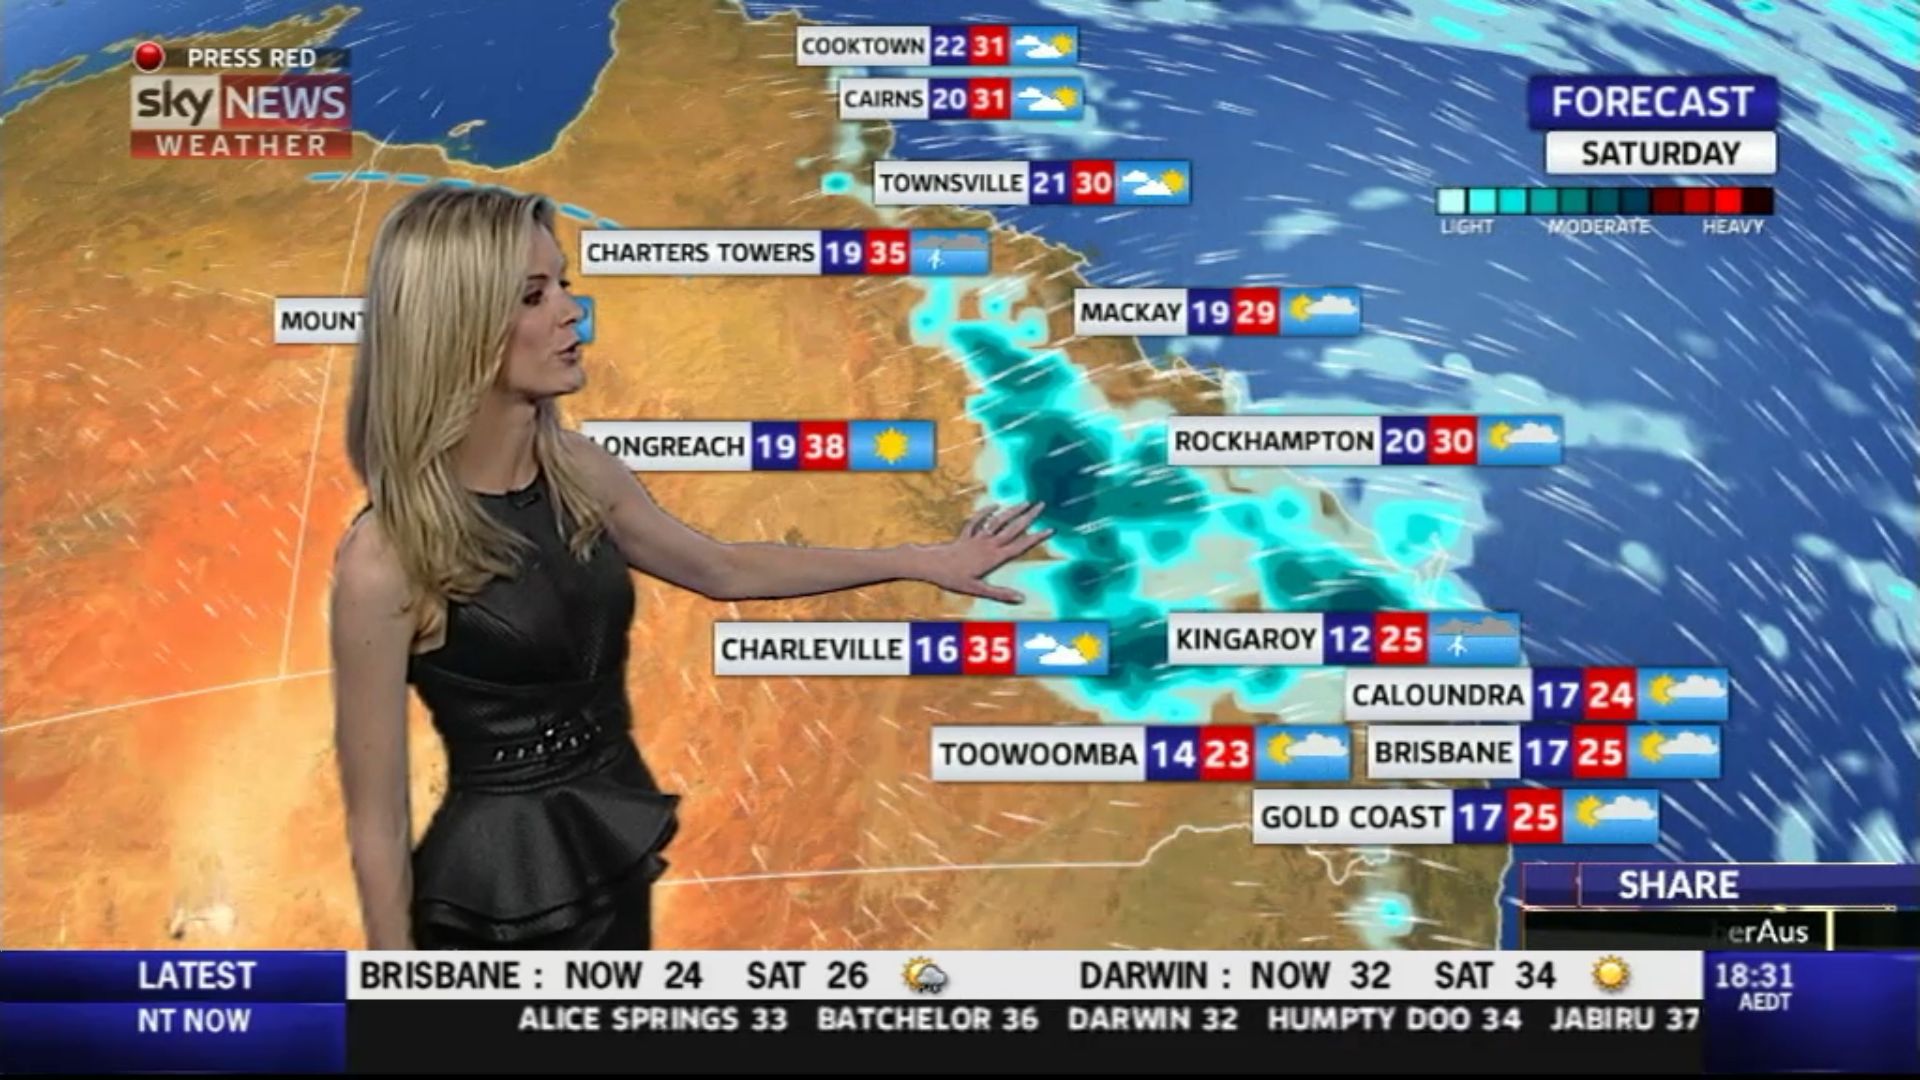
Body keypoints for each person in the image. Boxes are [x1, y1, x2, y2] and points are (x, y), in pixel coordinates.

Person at [331, 184, 1052, 950]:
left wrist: (920, 560)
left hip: (608, 844)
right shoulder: (387, 557)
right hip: (497, 895)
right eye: (534, 296)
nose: (573, 312)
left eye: (565, 284)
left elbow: (723, 568)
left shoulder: (582, 475)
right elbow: (377, 823)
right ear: (458, 324)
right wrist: (396, 990)